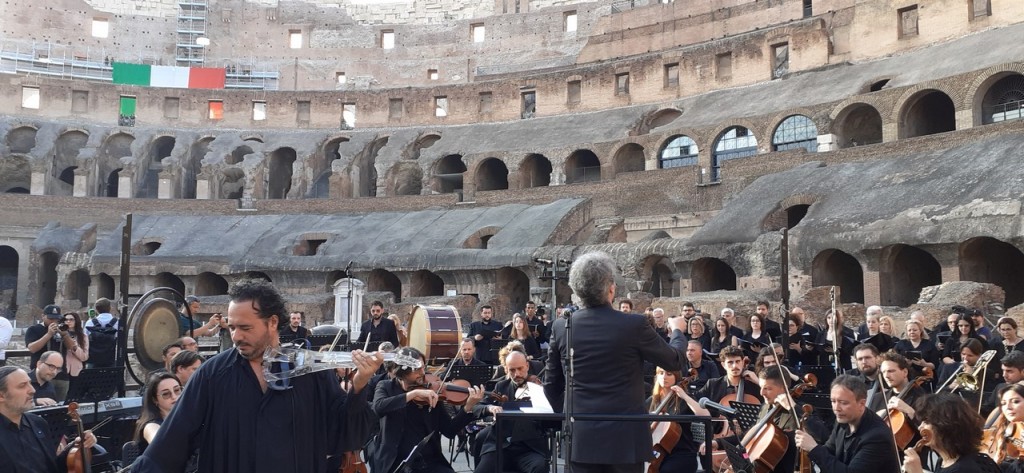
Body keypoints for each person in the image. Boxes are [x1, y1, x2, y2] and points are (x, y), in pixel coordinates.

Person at [133, 279, 383, 473]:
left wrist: (360, 384)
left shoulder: (308, 371)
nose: (236, 336)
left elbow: (344, 429)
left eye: (245, 327)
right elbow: (173, 440)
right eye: (232, 327)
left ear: (273, 322)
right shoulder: (213, 375)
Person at [544, 251, 687, 473]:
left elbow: (551, 385)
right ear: (611, 288)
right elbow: (674, 361)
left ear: (577, 290)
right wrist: (678, 331)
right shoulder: (634, 325)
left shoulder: (562, 326)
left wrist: (570, 418)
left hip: (581, 439)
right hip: (625, 441)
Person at [370, 346, 488, 473]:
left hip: (428, 461)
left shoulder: (432, 391)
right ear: (402, 372)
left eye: (423, 367)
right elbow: (378, 407)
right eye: (417, 369)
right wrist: (413, 394)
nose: (422, 372)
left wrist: (468, 407)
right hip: (394, 460)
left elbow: (449, 430)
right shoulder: (386, 386)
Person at [0, 366, 99, 473]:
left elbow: (53, 466)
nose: (32, 390)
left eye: (30, 383)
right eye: (22, 386)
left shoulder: (38, 423)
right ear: (1, 395)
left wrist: (77, 447)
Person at [794, 374, 901, 473]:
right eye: (833, 401)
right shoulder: (843, 419)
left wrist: (814, 448)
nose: (836, 408)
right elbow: (829, 452)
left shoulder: (877, 436)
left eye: (843, 403)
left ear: (861, 403)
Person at [473, 351, 549, 473]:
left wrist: (543, 397)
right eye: (512, 370)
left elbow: (551, 417)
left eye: (520, 369)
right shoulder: (501, 386)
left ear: (527, 366)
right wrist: (490, 408)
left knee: (539, 467)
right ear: (506, 369)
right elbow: (477, 407)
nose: (517, 374)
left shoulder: (538, 389)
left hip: (529, 449)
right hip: (500, 446)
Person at [901, 393, 1000, 473]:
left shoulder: (966, 469)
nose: (920, 427)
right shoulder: (944, 461)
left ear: (946, 426)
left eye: (927, 421)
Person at [644, 366, 703, 473]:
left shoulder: (684, 399)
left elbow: (704, 415)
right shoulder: (652, 400)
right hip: (656, 452)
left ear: (676, 377)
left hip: (682, 454)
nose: (664, 377)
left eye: (669, 374)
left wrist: (685, 396)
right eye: (661, 373)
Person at [871, 351, 926, 424]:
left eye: (891, 371)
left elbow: (929, 430)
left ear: (905, 372)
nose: (886, 376)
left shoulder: (922, 398)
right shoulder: (877, 399)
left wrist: (909, 410)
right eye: (883, 372)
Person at [134, 373, 182, 453]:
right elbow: (161, 446)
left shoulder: (182, 419)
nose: (174, 397)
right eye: (166, 394)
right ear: (154, 400)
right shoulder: (150, 426)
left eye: (177, 390)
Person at [83, 297, 119, 368]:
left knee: (91, 378)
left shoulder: (90, 323)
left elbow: (84, 340)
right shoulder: (117, 323)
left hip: (93, 359)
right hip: (110, 358)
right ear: (110, 308)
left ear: (96, 310)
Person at [58, 312, 89, 382]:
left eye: (71, 319)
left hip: (76, 371)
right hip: (61, 370)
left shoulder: (83, 336)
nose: (68, 321)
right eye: (66, 320)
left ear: (76, 321)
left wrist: (74, 346)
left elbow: (84, 357)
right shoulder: (59, 334)